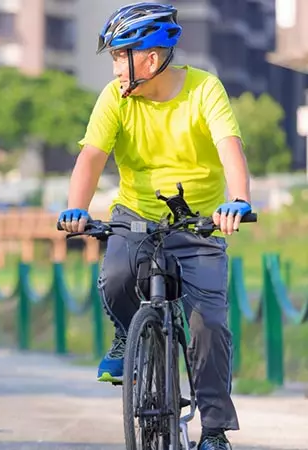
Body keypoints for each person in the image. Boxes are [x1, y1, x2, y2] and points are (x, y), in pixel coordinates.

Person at [57, 3, 253, 449]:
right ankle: (129, 332)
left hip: (199, 224)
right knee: (116, 278)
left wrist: (237, 201)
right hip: (135, 217)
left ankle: (216, 429)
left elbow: (230, 149)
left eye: (118, 56)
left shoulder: (205, 89)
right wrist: (75, 209)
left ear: (149, 57)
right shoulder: (114, 98)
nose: (113, 70)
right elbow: (91, 157)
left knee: (209, 326)